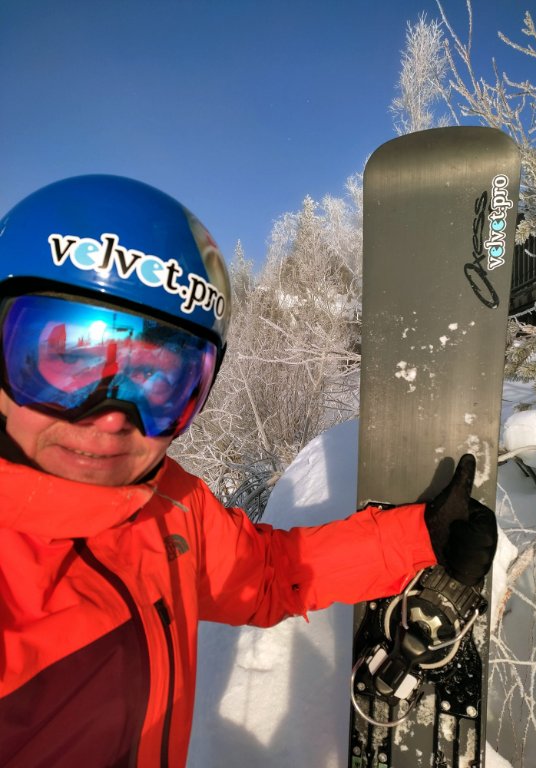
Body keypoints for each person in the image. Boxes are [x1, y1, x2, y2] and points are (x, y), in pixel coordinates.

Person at [0, 175, 497, 767]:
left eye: (158, 380)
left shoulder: (170, 507)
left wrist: (416, 537)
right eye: (70, 360)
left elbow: (270, 573)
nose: (112, 419)